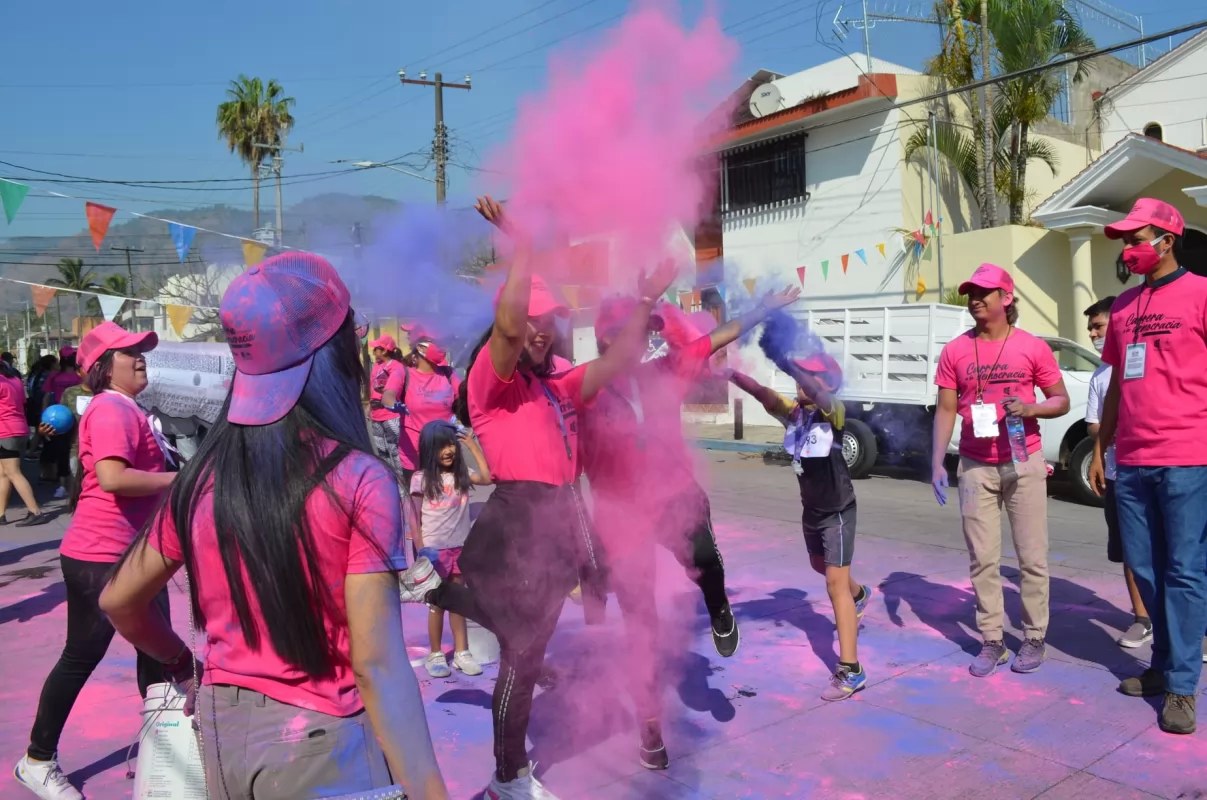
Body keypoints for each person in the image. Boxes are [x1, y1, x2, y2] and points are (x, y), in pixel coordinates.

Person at [99, 253, 449, 798]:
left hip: (221, 734)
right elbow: (377, 665)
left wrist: (180, 665)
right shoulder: (360, 480)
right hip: (319, 741)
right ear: (336, 356)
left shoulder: (201, 477)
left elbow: (120, 600)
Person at [402, 195, 674, 800]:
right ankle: (508, 778)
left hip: (557, 530)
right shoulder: (490, 385)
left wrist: (649, 299)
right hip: (516, 530)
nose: (542, 328)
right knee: (521, 662)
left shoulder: (557, 386)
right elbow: (506, 324)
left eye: (550, 321)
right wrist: (521, 245)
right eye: (533, 319)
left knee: (529, 648)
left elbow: (620, 359)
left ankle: (440, 585)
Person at [575, 285, 797, 768]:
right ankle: (650, 727)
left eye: (647, 333)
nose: (644, 342)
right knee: (642, 626)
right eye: (634, 332)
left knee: (704, 562)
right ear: (606, 340)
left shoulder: (664, 371)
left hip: (674, 495)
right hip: (622, 517)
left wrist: (763, 308)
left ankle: (718, 607)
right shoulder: (584, 390)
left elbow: (715, 338)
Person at [15, 322, 171, 800]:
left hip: (135, 554)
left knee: (159, 653)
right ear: (103, 368)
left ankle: (163, 753)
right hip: (100, 556)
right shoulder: (110, 410)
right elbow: (113, 478)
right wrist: (184, 483)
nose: (141, 357)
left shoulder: (128, 408)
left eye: (143, 350)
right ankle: (37, 760)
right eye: (130, 352)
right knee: (83, 654)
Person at [1089, 198, 1207, 735]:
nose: (1129, 249)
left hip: (1187, 457)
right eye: (1125, 240)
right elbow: (1115, 384)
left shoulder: (1202, 293)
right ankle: (1162, 664)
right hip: (1131, 460)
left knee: (1184, 570)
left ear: (1167, 238)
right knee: (1144, 566)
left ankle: (1182, 685)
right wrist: (1100, 449)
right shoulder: (1123, 309)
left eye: (1137, 239)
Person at [930, 263, 1069, 677]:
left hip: (1023, 460)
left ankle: (1034, 638)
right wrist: (936, 460)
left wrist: (1031, 408)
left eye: (983, 293)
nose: (974, 299)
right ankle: (992, 640)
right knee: (982, 560)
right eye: (971, 292)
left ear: (1005, 299)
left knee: (1031, 557)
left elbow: (1060, 399)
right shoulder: (955, 349)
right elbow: (946, 408)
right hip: (975, 466)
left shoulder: (1032, 347)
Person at [730, 348, 873, 701]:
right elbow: (763, 394)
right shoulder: (795, 416)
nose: (800, 380)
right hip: (811, 510)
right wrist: (731, 374)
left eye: (809, 375)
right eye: (799, 375)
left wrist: (785, 358)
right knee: (819, 566)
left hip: (838, 511)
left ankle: (851, 671)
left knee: (832, 585)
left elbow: (820, 394)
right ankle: (859, 594)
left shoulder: (835, 413)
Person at [1083, 296, 1151, 648]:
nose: (1094, 333)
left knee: (1172, 550)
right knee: (1130, 549)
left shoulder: (1144, 359)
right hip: (1117, 472)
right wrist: (1111, 432)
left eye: (1098, 326)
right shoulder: (1100, 376)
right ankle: (1142, 618)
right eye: (1091, 328)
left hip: (1156, 467)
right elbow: (1093, 424)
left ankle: (1187, 622)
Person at [411, 419, 492, 678]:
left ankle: (461, 653)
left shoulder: (461, 474)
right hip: (434, 552)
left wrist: (472, 445)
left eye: (451, 445)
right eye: (440, 447)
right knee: (437, 603)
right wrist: (421, 549)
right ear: (428, 450)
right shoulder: (420, 479)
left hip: (460, 549)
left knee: (459, 601)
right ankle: (435, 654)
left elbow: (488, 477)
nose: (448, 451)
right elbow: (413, 517)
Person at [399, 335, 462, 488]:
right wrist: (390, 402)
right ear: (420, 348)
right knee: (418, 504)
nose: (443, 347)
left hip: (445, 450)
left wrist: (462, 419)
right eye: (437, 343)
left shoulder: (448, 373)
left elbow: (466, 398)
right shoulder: (404, 373)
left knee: (446, 502)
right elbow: (389, 393)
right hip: (415, 454)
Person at [0, 357, 47, 527]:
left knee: (13, 472)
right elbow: (23, 402)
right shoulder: (15, 380)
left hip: (6, 431)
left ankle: (35, 511)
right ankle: (1, 514)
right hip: (19, 429)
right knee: (3, 473)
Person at [40, 347, 81, 498]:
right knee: (66, 452)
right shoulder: (58, 375)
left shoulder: (74, 375)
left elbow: (45, 396)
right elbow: (46, 395)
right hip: (62, 418)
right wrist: (45, 417)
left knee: (66, 452)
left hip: (68, 418)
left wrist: (43, 415)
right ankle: (66, 484)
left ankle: (68, 484)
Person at [368, 334, 407, 477]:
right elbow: (373, 389)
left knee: (395, 449)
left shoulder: (396, 367)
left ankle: (402, 482)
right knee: (381, 450)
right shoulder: (376, 366)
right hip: (376, 414)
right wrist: (369, 406)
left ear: (384, 350)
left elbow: (394, 390)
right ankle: (389, 478)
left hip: (391, 415)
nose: (373, 351)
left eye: (376, 348)